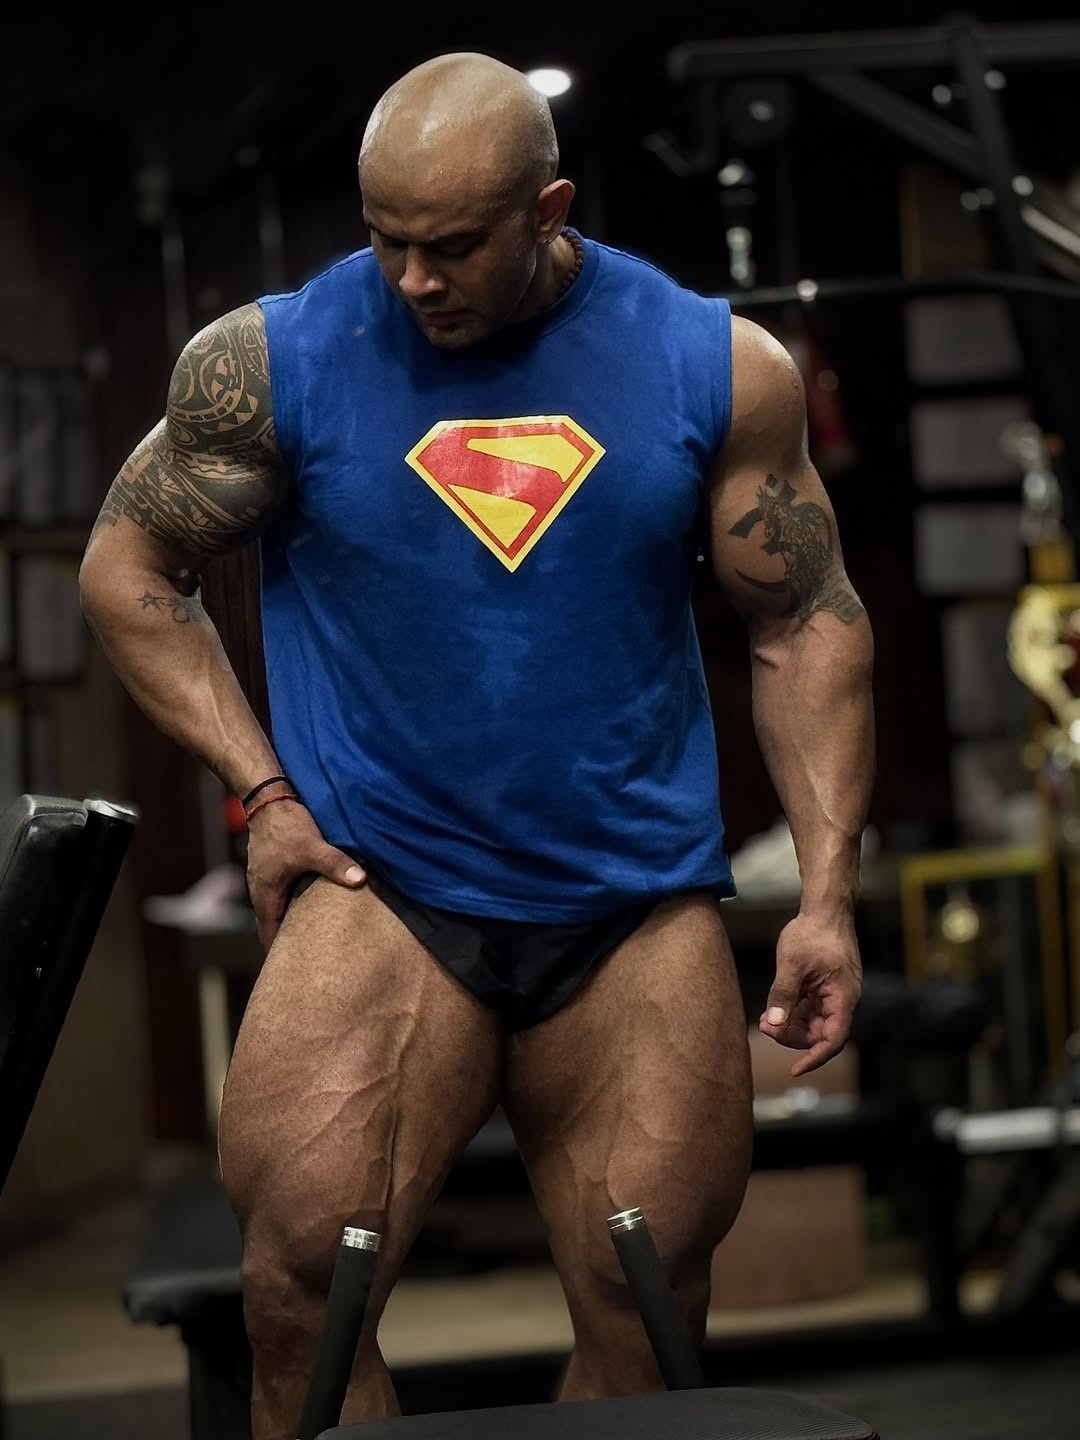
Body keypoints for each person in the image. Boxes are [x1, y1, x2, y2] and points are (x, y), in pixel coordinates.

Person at [79, 50, 874, 1440]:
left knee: (648, 1299)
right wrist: (265, 791)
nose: (413, 280)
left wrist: (825, 897)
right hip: (382, 886)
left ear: (548, 211)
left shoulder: (714, 364)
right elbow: (127, 570)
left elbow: (806, 622)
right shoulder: (273, 361)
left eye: (451, 246)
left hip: (630, 900)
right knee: (302, 1294)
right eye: (387, 239)